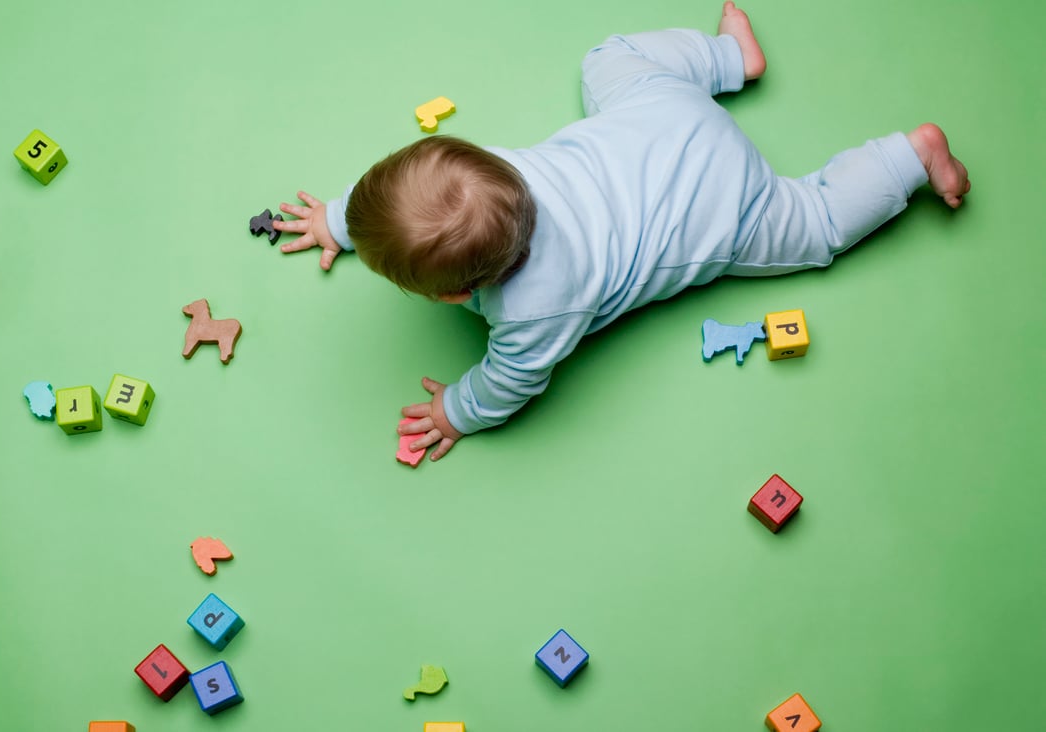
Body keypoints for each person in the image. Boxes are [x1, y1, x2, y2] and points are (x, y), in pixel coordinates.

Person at [272, 1, 970, 463]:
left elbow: (509, 384)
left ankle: (909, 157)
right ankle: (729, 62)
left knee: (815, 225)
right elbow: (412, 200)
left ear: (456, 298)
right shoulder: (491, 175)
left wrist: (455, 412)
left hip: (723, 207)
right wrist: (343, 220)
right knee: (606, 59)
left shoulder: (537, 312)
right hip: (665, 115)